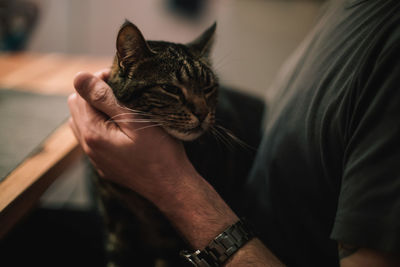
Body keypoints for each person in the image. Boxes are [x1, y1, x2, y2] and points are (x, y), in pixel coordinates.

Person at [68, 0, 400, 266]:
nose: (202, 113)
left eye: (207, 91)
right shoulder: (345, 10)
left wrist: (170, 183)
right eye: (174, 92)